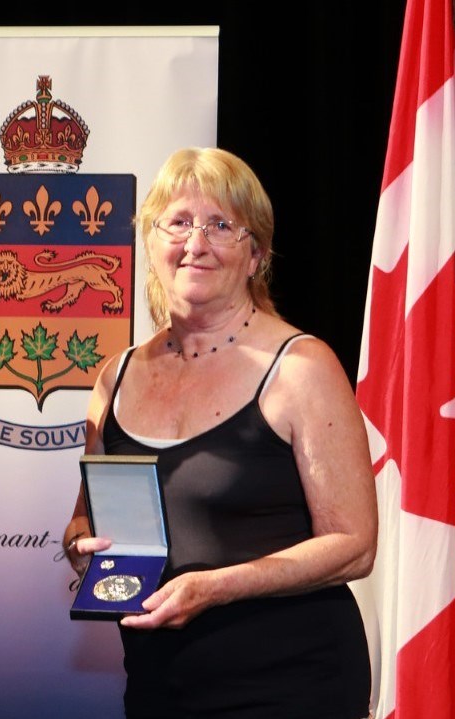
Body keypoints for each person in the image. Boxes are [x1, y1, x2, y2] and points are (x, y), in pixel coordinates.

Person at [63, 147, 376, 718]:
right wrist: (81, 546)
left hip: (291, 684)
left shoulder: (301, 367)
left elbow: (353, 545)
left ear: (256, 255)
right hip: (160, 686)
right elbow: (86, 517)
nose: (196, 243)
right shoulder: (116, 376)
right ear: (152, 242)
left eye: (221, 226)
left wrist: (216, 586)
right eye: (178, 222)